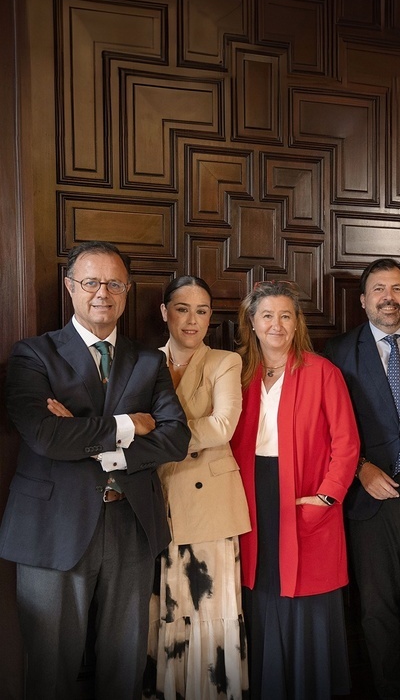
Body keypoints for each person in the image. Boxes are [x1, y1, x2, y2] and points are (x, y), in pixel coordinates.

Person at [0, 240, 190, 699]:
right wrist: (129, 424)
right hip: (54, 526)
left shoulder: (148, 360)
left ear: (126, 291)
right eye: (90, 282)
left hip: (131, 523)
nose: (102, 292)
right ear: (70, 288)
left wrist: (93, 438)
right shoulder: (32, 355)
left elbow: (175, 438)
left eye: (114, 283)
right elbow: (45, 436)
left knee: (125, 666)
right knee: (51, 668)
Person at [229, 280, 359, 699]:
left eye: (286, 315)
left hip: (306, 494)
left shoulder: (323, 372)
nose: (277, 324)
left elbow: (347, 444)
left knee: (307, 593)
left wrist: (326, 497)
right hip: (250, 495)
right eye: (267, 315)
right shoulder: (238, 372)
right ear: (252, 322)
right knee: (261, 588)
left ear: (297, 322)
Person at [323, 257, 400, 700]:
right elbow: (326, 427)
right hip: (369, 496)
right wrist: (359, 469)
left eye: (396, 289)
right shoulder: (336, 352)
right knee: (376, 610)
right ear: (363, 300)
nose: (388, 298)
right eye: (379, 289)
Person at [143, 275, 251, 699]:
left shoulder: (224, 361)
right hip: (155, 498)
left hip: (210, 504)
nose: (192, 320)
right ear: (164, 312)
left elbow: (223, 426)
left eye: (202, 311)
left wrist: (153, 434)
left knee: (210, 607)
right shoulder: (143, 360)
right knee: (163, 608)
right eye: (183, 309)